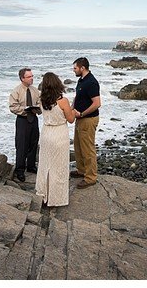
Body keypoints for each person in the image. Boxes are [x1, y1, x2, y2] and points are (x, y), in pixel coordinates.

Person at [36, 72, 76, 207]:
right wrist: (74, 110)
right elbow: (70, 120)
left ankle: (43, 194)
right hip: (59, 134)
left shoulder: (42, 100)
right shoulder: (63, 101)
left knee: (45, 165)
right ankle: (57, 198)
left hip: (46, 134)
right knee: (59, 167)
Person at [70, 57, 101, 189]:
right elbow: (78, 96)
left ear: (82, 68)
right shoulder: (82, 80)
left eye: (75, 68)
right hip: (80, 118)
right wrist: (72, 108)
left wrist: (82, 114)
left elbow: (97, 103)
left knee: (88, 149)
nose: (73, 70)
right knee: (78, 146)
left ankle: (90, 177)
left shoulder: (91, 82)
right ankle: (82, 170)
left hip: (88, 119)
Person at [8, 67, 41, 182]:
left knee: (33, 143)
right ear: (22, 78)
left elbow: (39, 103)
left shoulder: (35, 90)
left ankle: (31, 166)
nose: (32, 78)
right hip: (22, 120)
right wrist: (25, 110)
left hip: (34, 119)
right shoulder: (16, 91)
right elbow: (12, 107)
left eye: (32, 76)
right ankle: (20, 170)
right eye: (29, 77)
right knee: (21, 145)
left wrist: (37, 109)